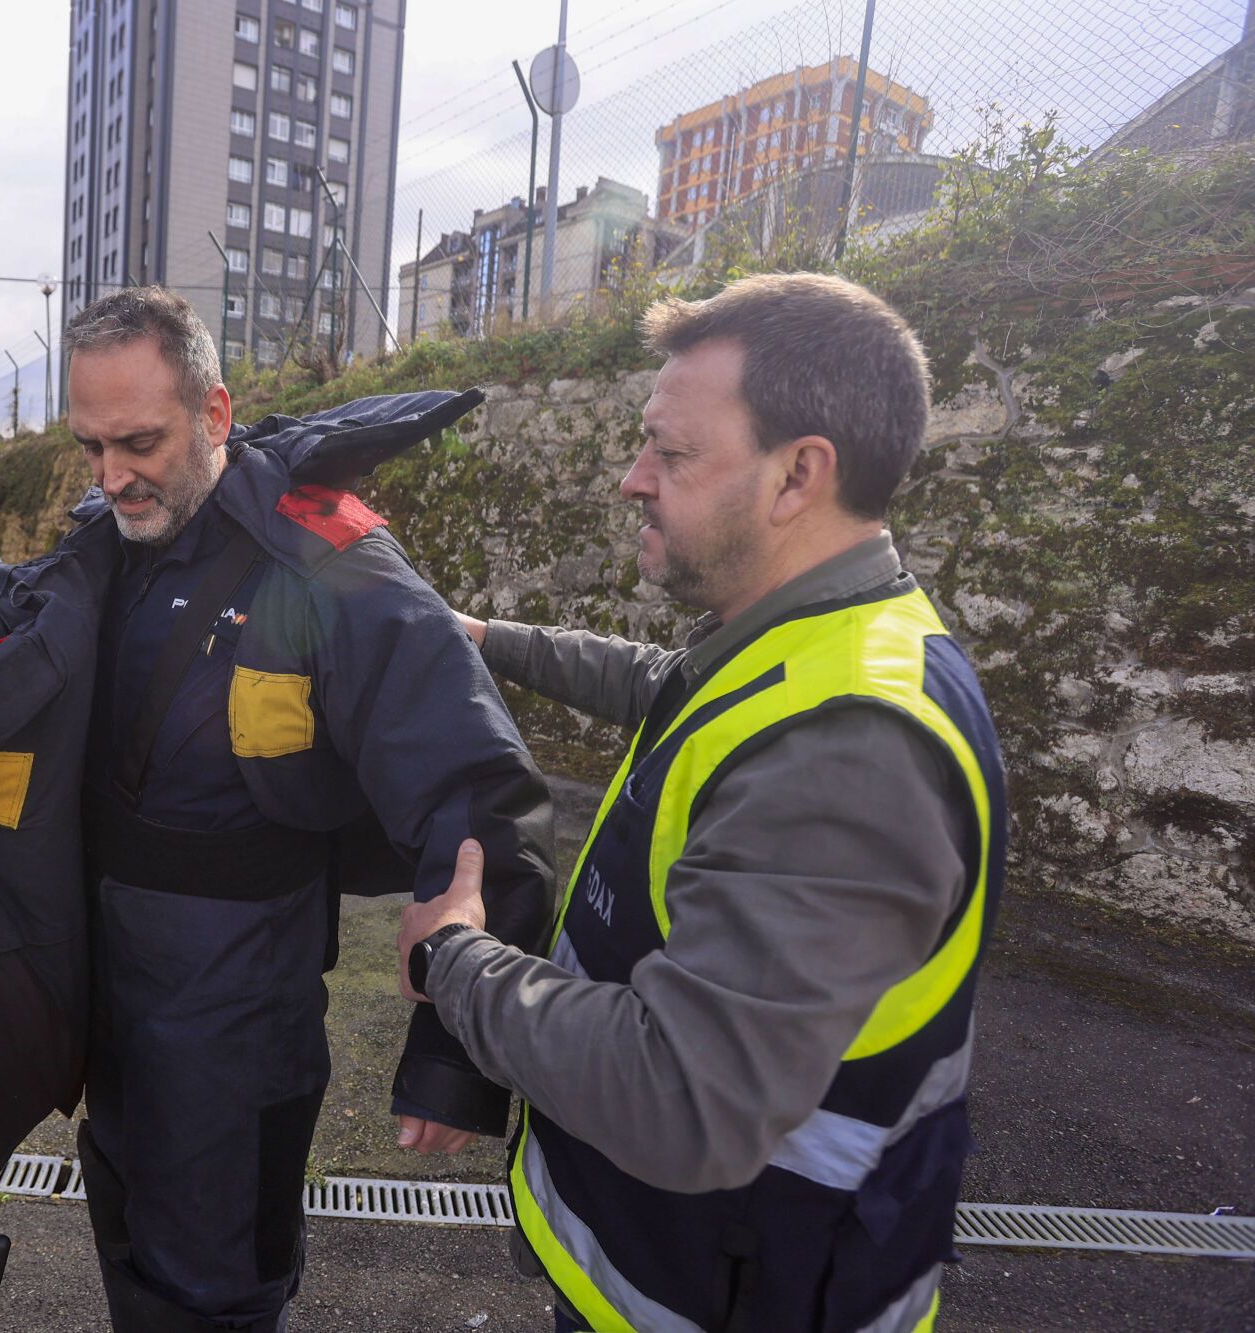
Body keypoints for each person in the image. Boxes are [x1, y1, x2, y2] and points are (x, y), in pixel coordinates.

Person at [399, 273, 1007, 1333]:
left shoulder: (848, 750)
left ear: (795, 475)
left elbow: (683, 1096)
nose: (632, 480)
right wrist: (489, 642)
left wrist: (451, 961)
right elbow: (660, 684)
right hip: (688, 1268)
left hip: (733, 1294)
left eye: (670, 453)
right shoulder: (808, 639)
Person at [63, 288, 556, 1332]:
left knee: (216, 1294)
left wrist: (456, 1059)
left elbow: (478, 805)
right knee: (130, 1260)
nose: (112, 476)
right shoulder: (105, 547)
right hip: (105, 1013)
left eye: (139, 441)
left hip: (234, 1038)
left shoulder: (328, 563)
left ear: (215, 413)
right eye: (90, 447)